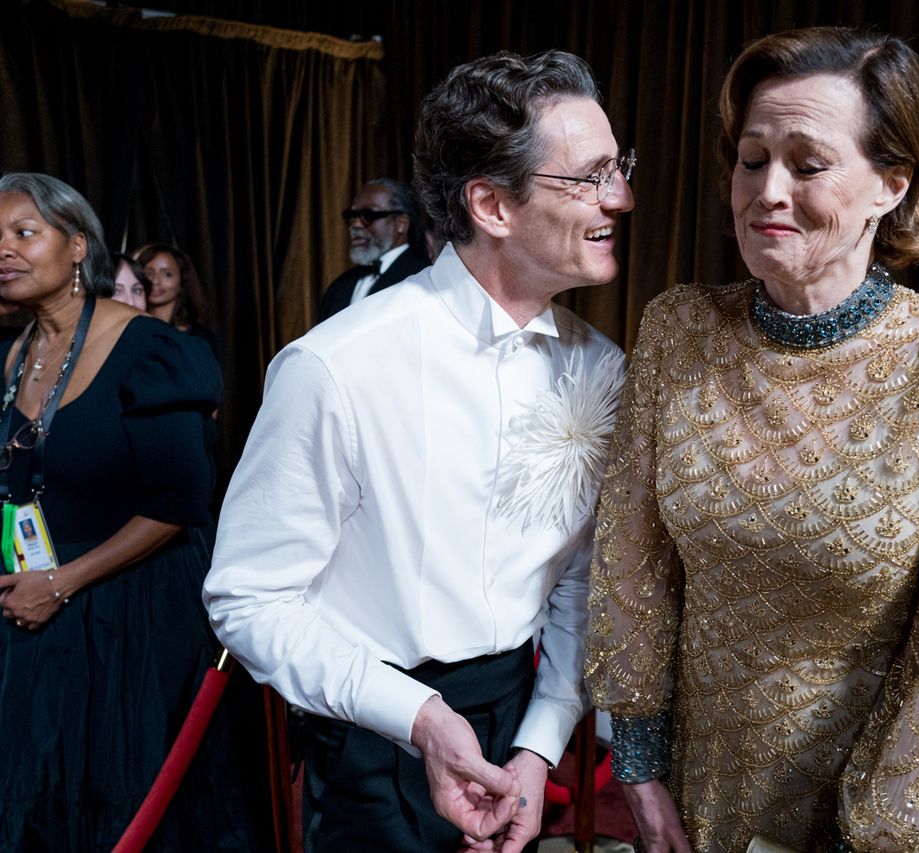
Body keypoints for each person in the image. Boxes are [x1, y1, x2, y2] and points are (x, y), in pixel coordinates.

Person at [585, 27, 919, 853]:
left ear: (891, 184)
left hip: (865, 814)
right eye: (752, 158)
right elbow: (632, 561)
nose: (767, 189)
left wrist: (875, 831)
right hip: (693, 792)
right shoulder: (680, 328)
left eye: (807, 162)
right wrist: (641, 779)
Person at [203, 49, 633, 852]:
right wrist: (421, 719)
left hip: (520, 714)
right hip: (374, 734)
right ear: (492, 205)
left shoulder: (601, 366)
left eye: (619, 168)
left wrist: (540, 744)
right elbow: (249, 598)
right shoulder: (336, 367)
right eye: (591, 176)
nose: (623, 198)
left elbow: (580, 583)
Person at [0, 172, 253, 850]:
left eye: (23, 232)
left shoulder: (152, 350)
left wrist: (61, 582)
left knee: (134, 809)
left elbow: (180, 502)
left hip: (135, 622)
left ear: (78, 245)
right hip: (35, 618)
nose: (3, 250)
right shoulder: (11, 356)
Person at [317, 178, 433, 323]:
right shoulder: (339, 286)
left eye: (368, 215)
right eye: (352, 216)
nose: (356, 224)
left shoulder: (424, 278)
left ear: (401, 224)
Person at [136, 241, 219, 357]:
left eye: (167, 274)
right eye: (148, 273)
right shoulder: (133, 331)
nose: (155, 281)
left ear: (182, 280)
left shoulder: (199, 339)